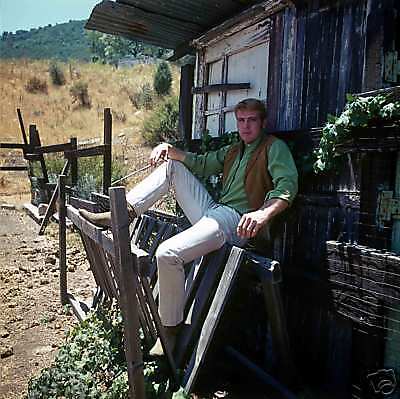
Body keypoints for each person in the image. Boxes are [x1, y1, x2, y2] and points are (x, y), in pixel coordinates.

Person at [79, 98, 298, 356]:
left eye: (252, 120)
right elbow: (200, 163)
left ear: (262, 123)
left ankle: (170, 330)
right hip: (215, 211)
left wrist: (262, 214)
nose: (246, 126)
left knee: (166, 253)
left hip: (236, 222)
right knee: (172, 167)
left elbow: (286, 187)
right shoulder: (234, 150)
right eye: (241, 120)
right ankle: (122, 215)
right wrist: (167, 148)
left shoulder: (274, 148)